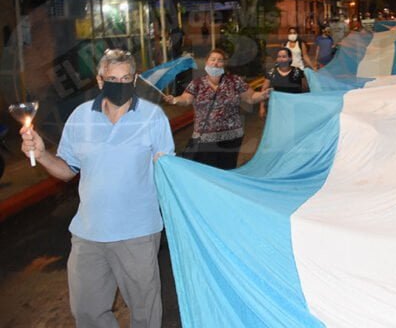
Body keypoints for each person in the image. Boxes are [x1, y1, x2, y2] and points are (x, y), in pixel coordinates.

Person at [20, 49, 174, 328]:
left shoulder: (153, 117)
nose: (120, 84)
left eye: (126, 77)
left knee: (145, 313)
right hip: (89, 235)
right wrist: (42, 155)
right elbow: (67, 171)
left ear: (135, 79)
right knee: (87, 312)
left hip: (137, 233)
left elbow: (167, 172)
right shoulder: (80, 117)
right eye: (113, 78)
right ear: (100, 81)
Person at [165, 48, 269, 170]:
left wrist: (263, 95)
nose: (215, 63)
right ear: (207, 62)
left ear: (224, 64)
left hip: (231, 138)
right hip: (205, 139)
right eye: (212, 59)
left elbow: (250, 97)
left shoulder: (234, 81)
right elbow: (186, 99)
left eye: (219, 60)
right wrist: (175, 100)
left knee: (227, 171)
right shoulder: (197, 83)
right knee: (208, 172)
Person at [259, 48, 308, 118]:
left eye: (284, 57)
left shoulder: (297, 72)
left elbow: (305, 89)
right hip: (277, 109)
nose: (281, 59)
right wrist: (262, 107)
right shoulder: (271, 72)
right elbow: (264, 90)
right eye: (279, 57)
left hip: (295, 108)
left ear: (290, 58)